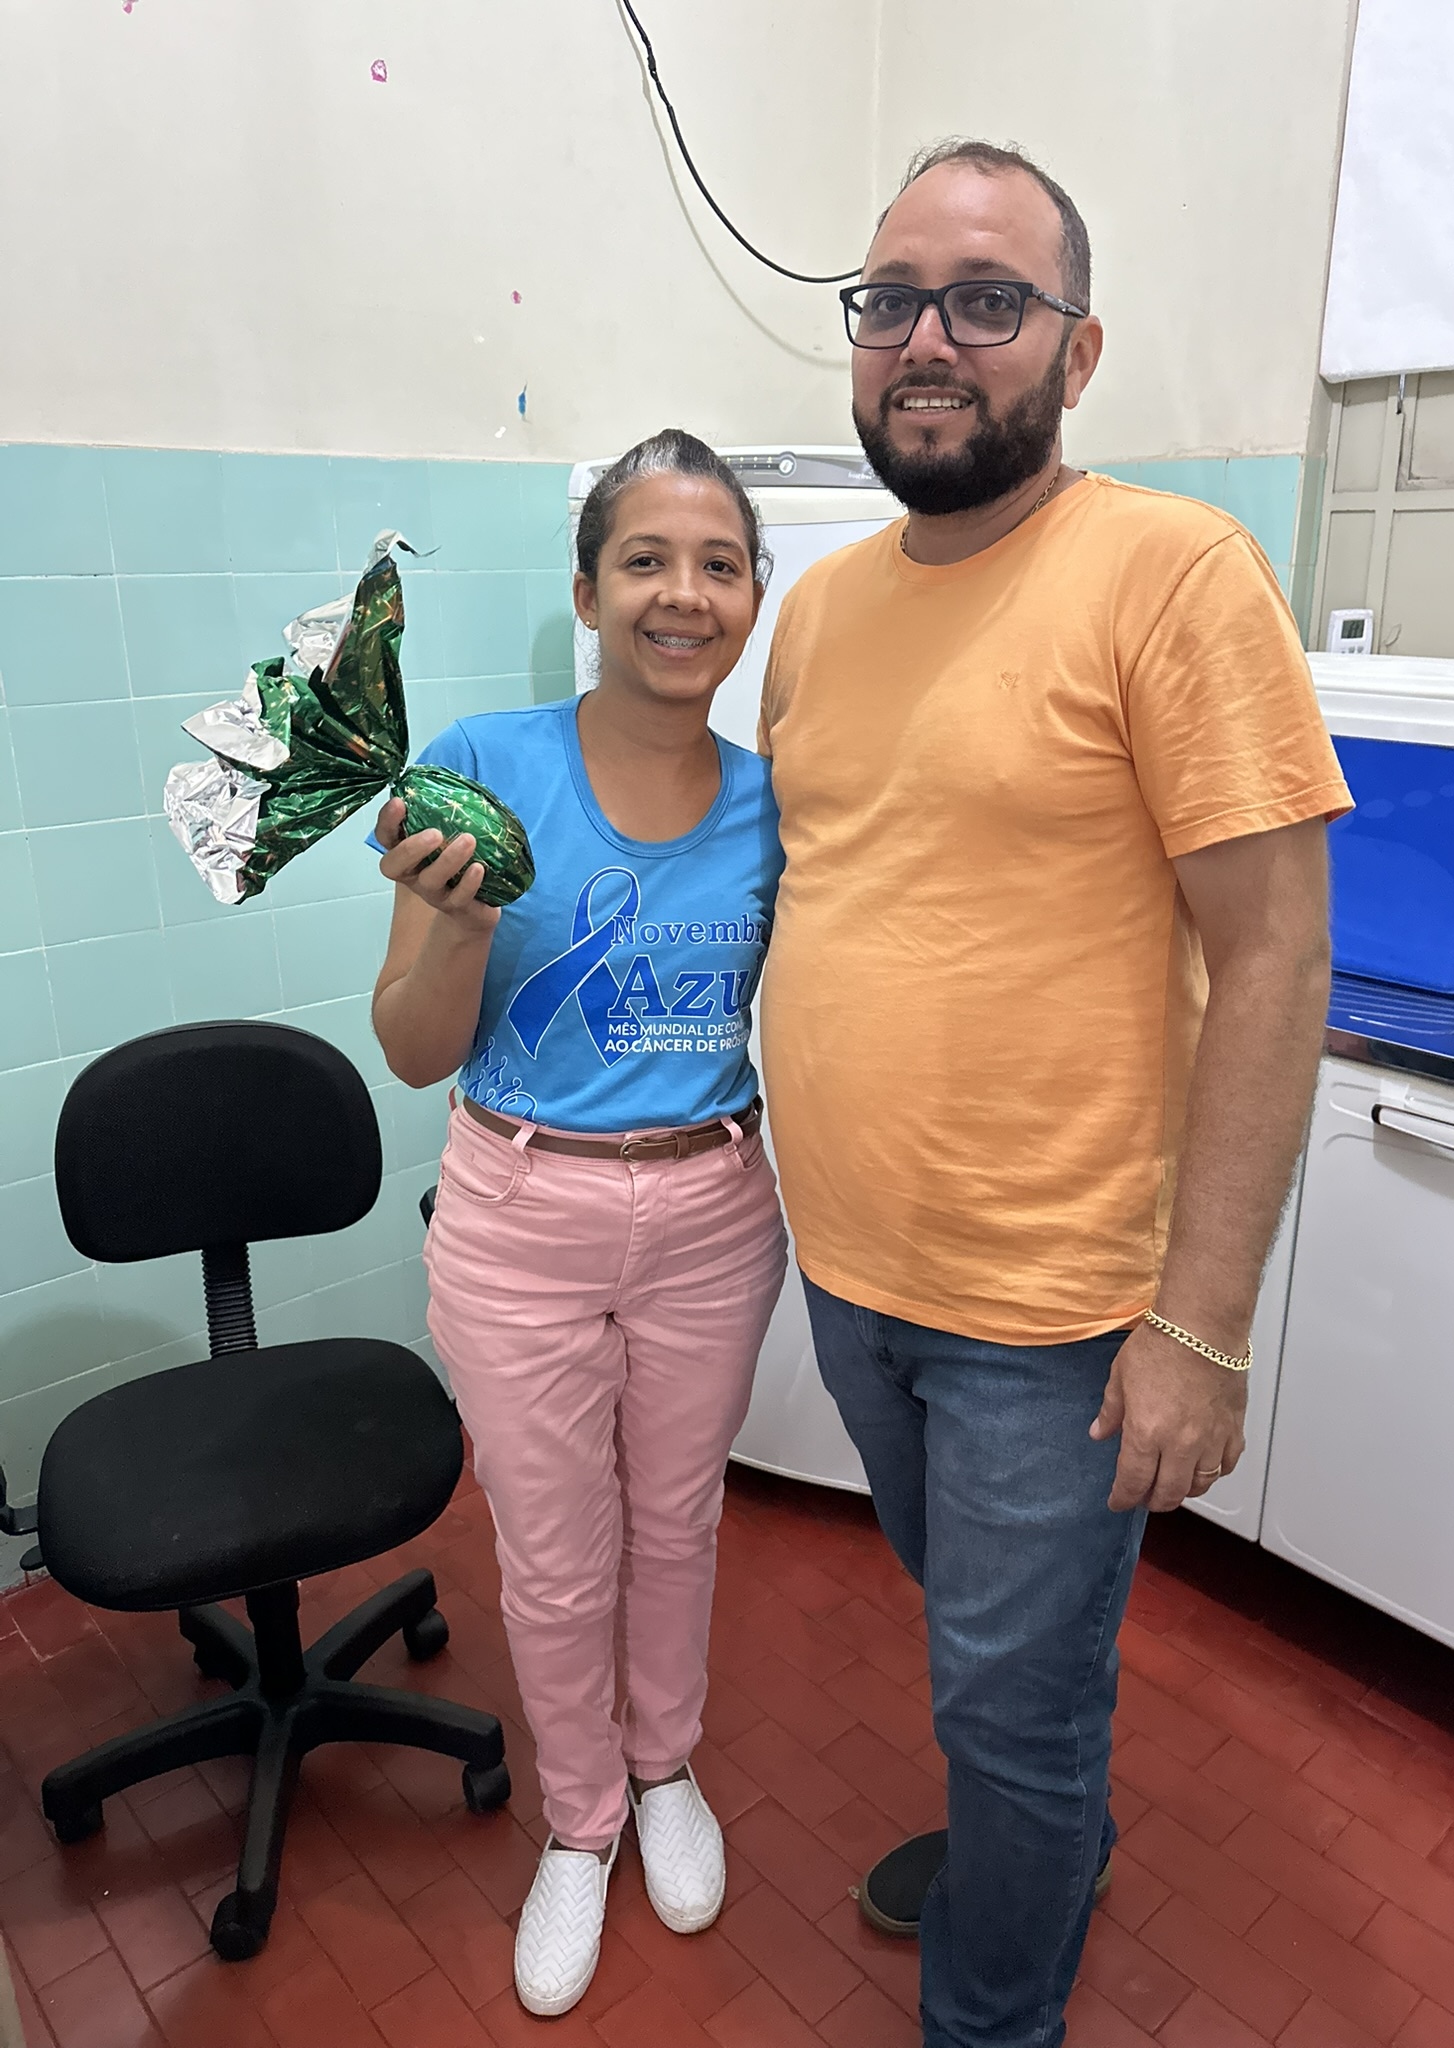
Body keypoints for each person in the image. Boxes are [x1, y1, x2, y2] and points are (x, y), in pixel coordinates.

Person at [757, 141, 1351, 2048]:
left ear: (1078, 353)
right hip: (853, 1276)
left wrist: (1202, 1326)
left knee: (1004, 1703)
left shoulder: (1171, 574)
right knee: (986, 1651)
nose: (929, 339)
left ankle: (992, 2004)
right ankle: (1049, 1838)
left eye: (989, 301)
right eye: (893, 299)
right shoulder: (820, 613)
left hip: (1057, 1317)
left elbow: (1277, 958)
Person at [370, 430, 788, 2017]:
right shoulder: (482, 767)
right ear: (588, 589)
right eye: (646, 560)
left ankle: (666, 1767)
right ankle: (581, 1822)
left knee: (678, 1524)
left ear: (750, 597)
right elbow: (413, 1047)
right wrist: (459, 929)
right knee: (553, 1557)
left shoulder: (778, 809)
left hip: (711, 1208)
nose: (684, 594)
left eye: (719, 564)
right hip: (520, 1209)